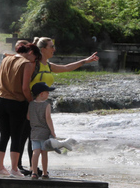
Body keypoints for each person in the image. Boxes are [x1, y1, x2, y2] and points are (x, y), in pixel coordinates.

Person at [18, 37, 99, 174]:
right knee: (25, 135)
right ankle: (19, 166)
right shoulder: (33, 64)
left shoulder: (48, 65)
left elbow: (67, 67)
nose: (54, 49)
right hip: (29, 104)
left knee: (36, 137)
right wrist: (29, 102)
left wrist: (86, 61)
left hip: (41, 106)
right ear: (42, 49)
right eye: (51, 47)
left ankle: (33, 168)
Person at [0, 42, 40, 177]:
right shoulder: (26, 64)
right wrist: (31, 102)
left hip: (0, 101)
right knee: (16, 137)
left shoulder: (6, 60)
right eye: (35, 58)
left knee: (3, 136)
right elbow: (25, 88)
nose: (35, 62)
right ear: (31, 52)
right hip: (16, 103)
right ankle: (14, 169)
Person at [27, 82, 57, 179]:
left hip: (34, 132)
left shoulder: (31, 104)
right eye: (47, 92)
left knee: (35, 152)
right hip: (44, 132)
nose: (48, 94)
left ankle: (34, 172)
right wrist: (53, 132)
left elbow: (28, 117)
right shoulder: (46, 105)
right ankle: (44, 173)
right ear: (41, 94)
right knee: (44, 153)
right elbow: (48, 118)